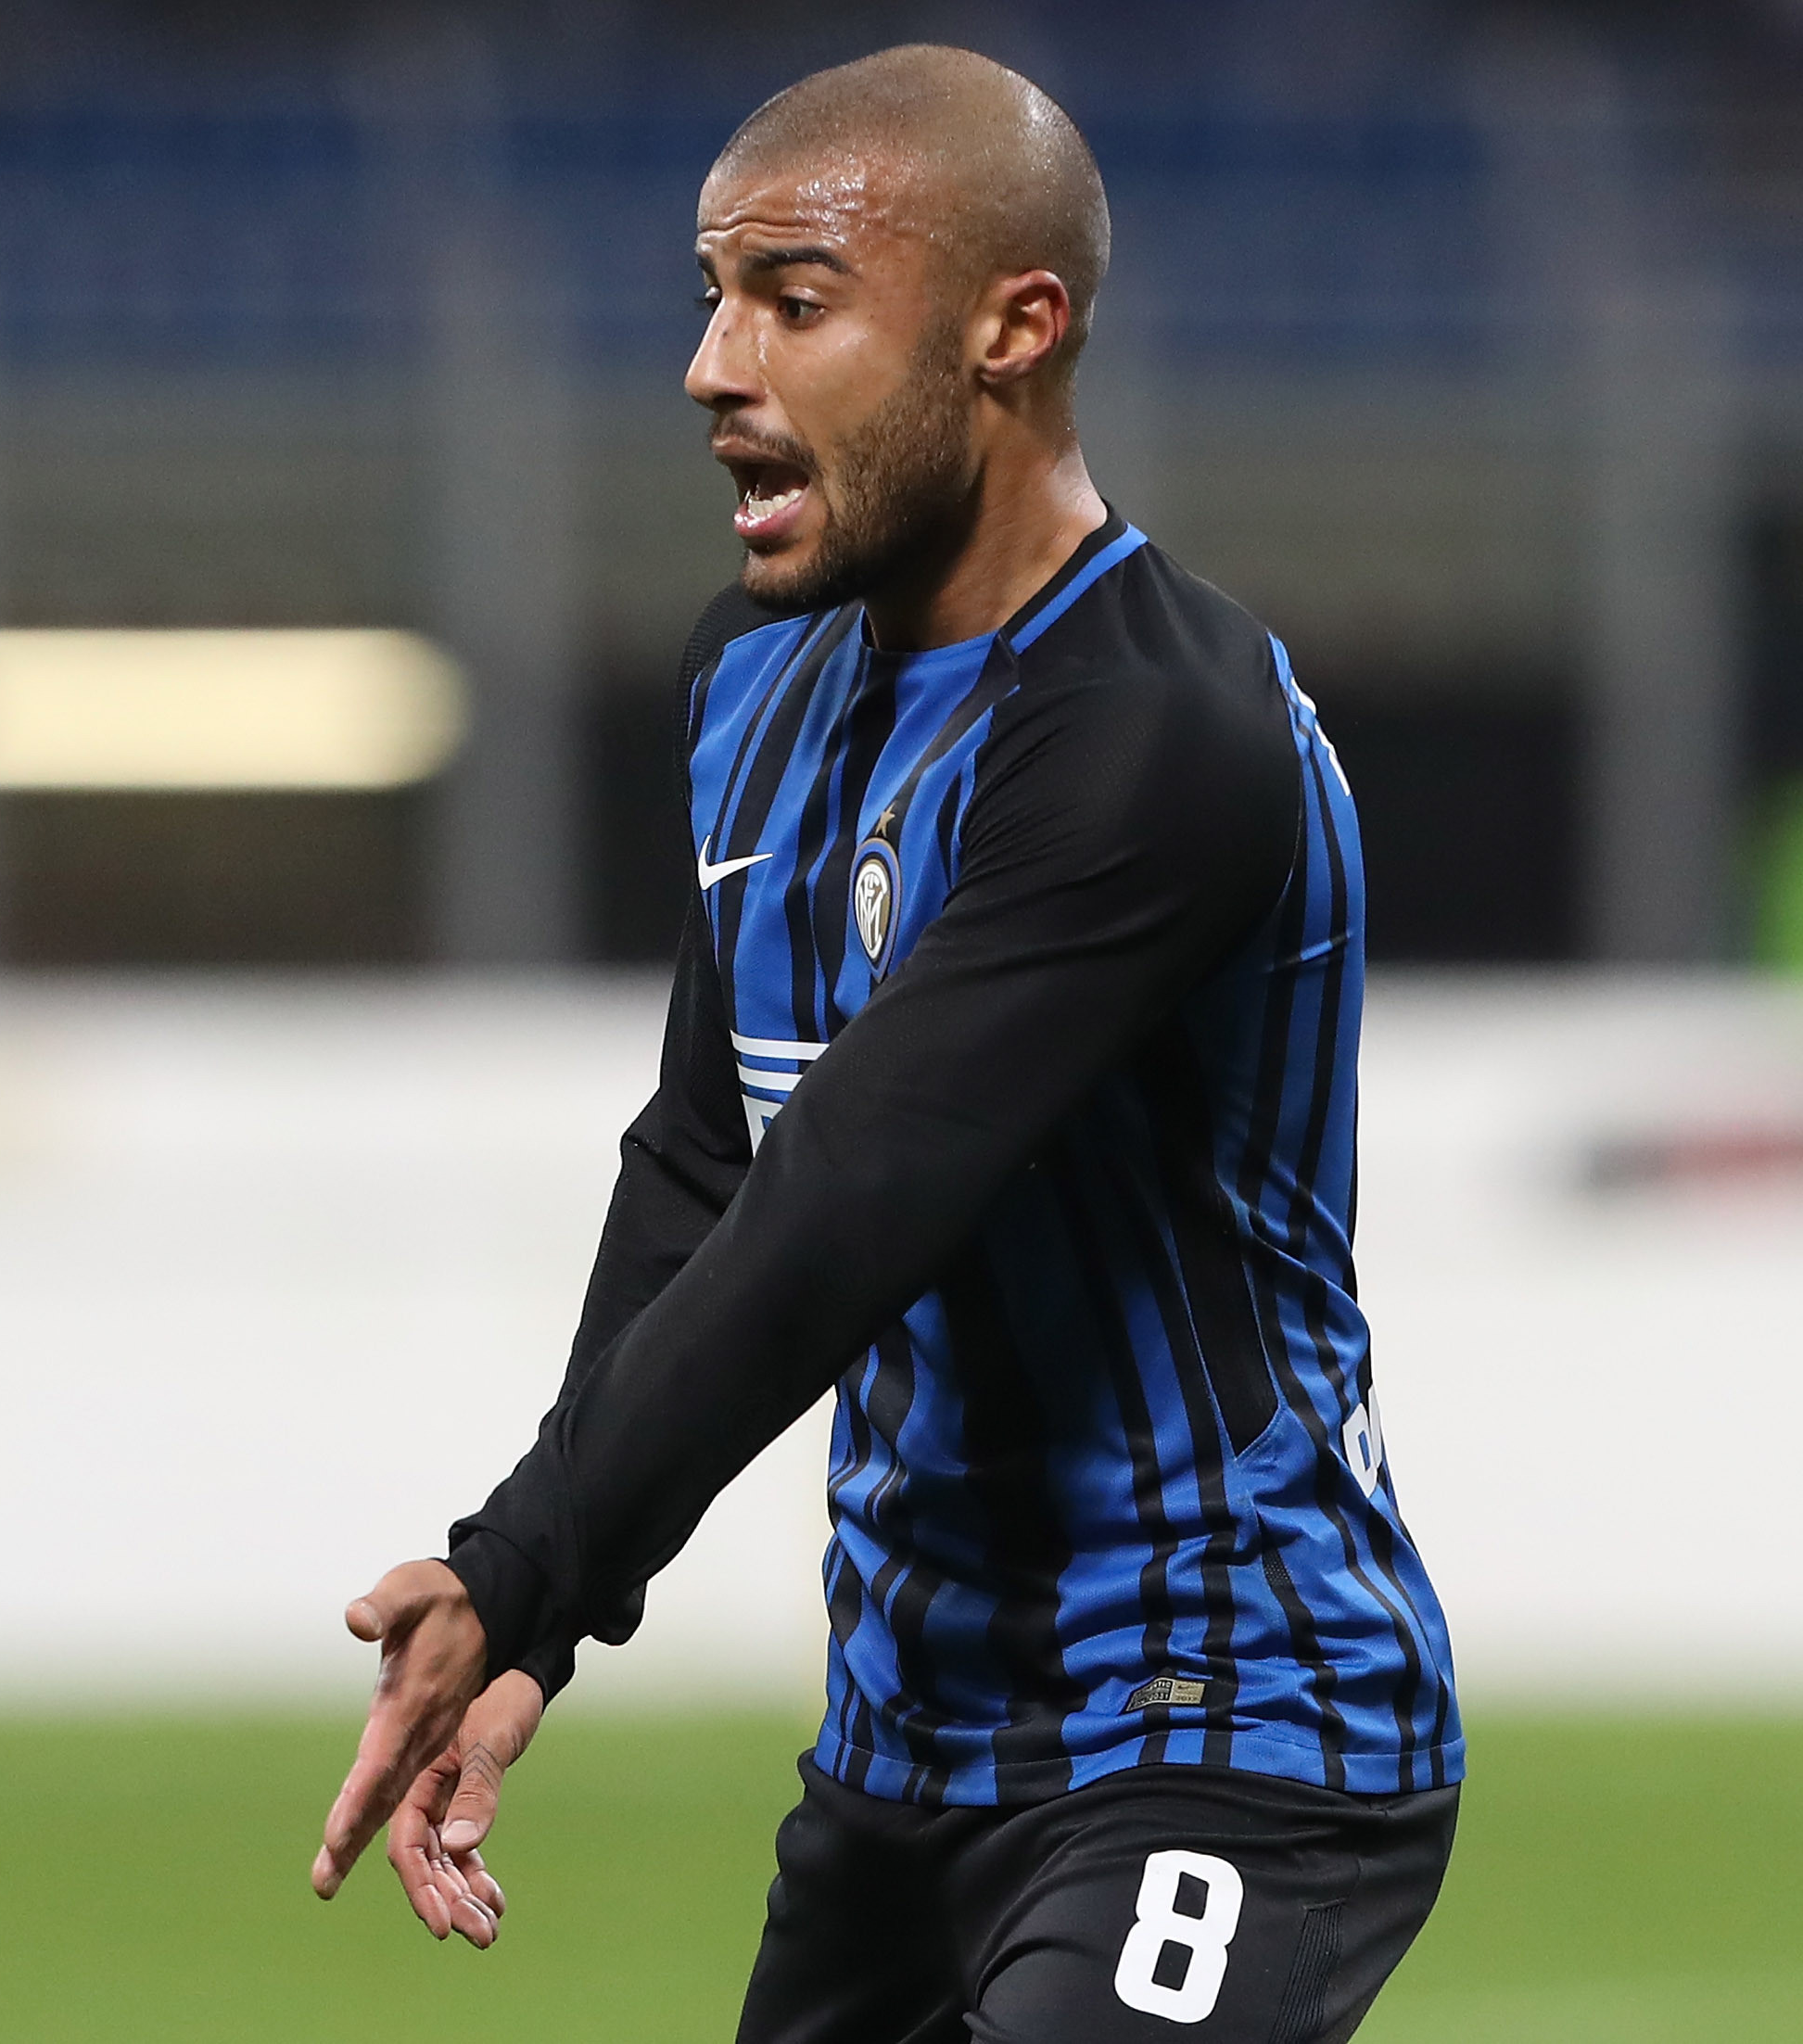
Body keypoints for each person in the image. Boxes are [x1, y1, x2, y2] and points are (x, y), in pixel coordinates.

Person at [310, 44, 1463, 2044]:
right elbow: (709, 1160)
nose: (712, 367)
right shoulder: (752, 678)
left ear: (1017, 330)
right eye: (711, 296)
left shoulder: (1152, 733)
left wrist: (529, 1555)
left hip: (1221, 1723)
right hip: (904, 1748)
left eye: (795, 299)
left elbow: (847, 1205)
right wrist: (544, 1617)